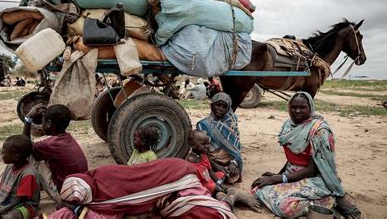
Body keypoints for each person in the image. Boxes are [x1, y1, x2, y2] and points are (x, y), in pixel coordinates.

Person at [251, 92, 361, 218]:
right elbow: (292, 158)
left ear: (310, 107)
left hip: (314, 178)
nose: (297, 111)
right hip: (292, 174)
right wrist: (279, 175)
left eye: (302, 107)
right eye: (294, 107)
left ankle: (329, 202)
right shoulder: (289, 125)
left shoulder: (319, 131)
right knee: (257, 188)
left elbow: (311, 170)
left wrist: (280, 179)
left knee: (285, 207)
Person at [48, 158, 236, 219]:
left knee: (214, 213)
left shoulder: (103, 198)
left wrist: (76, 208)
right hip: (174, 172)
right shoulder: (96, 176)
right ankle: (221, 194)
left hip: (177, 178)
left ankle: (230, 198)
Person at [23, 103, 89, 203]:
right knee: (41, 160)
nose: (42, 124)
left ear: (49, 123)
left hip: (65, 196)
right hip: (80, 190)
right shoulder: (67, 138)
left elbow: (24, 146)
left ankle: (3, 189)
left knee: (27, 155)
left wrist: (28, 118)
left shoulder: (51, 144)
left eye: (43, 121)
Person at [186, 130, 262, 213]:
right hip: (201, 186)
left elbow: (210, 171)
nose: (207, 146)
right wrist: (216, 187)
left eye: (208, 143)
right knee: (218, 191)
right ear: (193, 145)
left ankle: (225, 197)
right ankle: (230, 198)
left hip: (208, 181)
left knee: (221, 175)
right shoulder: (191, 160)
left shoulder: (203, 156)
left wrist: (219, 183)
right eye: (204, 144)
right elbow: (198, 179)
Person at [197, 92, 243, 184]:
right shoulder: (203, 124)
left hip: (228, 162)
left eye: (224, 106)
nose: (220, 109)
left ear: (228, 109)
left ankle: (221, 175)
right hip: (211, 160)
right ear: (212, 105)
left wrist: (233, 163)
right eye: (218, 105)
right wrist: (216, 165)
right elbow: (200, 150)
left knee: (232, 174)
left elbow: (236, 149)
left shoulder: (231, 124)